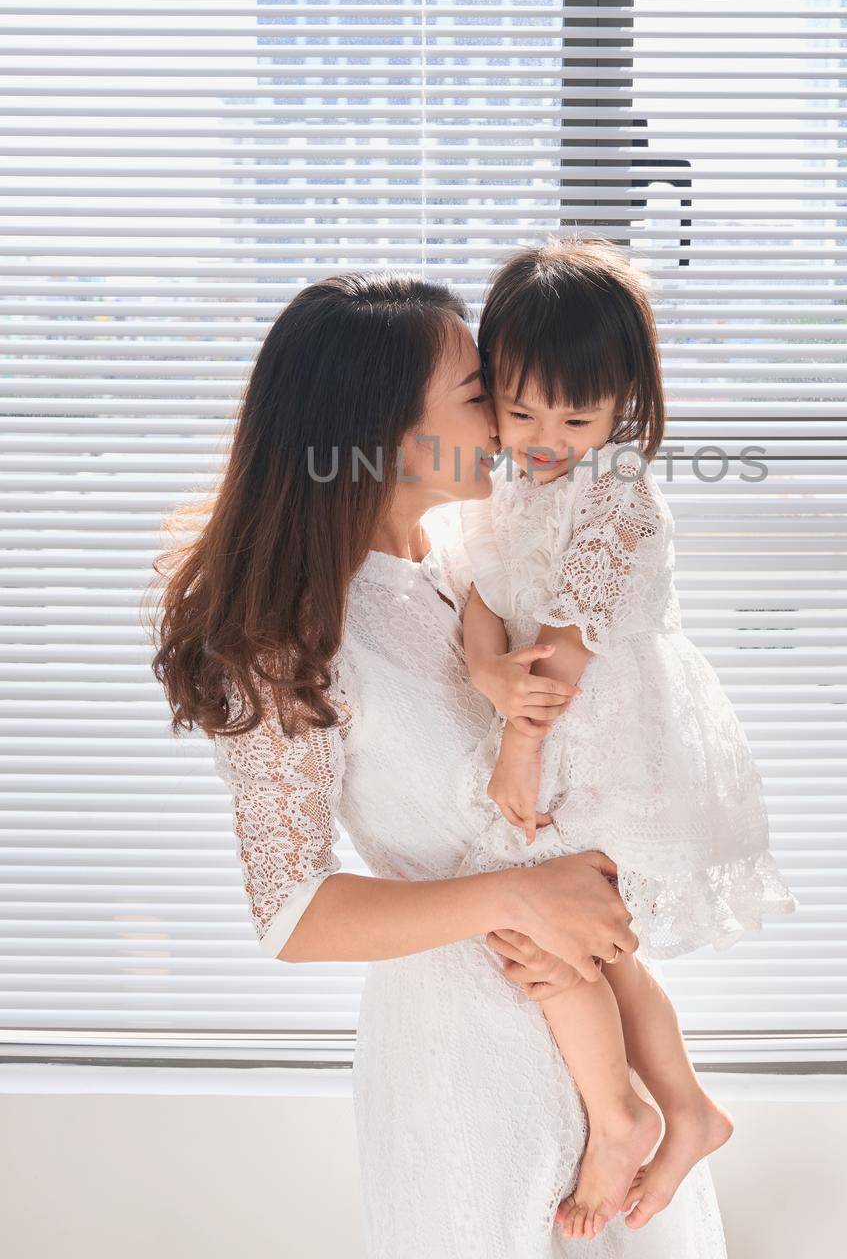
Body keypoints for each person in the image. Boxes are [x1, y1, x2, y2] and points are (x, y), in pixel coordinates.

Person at [150, 269, 729, 1257]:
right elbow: (292, 911)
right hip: (465, 1070)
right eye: (482, 391)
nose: (512, 419)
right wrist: (523, 896)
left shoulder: (474, 558)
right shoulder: (290, 634)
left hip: (597, 1043)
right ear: (383, 427)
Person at [451, 237, 799, 1238]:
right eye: (518, 411)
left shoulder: (618, 497)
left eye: (574, 413)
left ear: (624, 399)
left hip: (602, 748)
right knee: (588, 948)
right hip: (542, 728)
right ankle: (685, 1107)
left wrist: (515, 744)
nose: (544, 434)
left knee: (541, 939)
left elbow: (564, 646)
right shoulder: (504, 484)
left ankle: (621, 1119)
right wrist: (483, 672)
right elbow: (473, 592)